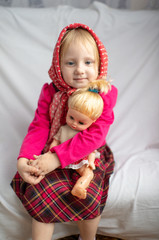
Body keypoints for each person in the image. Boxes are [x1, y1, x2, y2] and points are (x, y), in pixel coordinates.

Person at [11, 23, 118, 240]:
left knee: (90, 193)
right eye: (71, 62)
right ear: (58, 65)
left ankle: (88, 238)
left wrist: (56, 159)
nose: (80, 69)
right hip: (52, 146)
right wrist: (24, 159)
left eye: (88, 62)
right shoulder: (52, 92)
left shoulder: (103, 93)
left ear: (99, 64)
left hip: (88, 153)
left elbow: (95, 136)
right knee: (40, 191)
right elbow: (40, 126)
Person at [44, 79, 110, 200]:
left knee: (88, 173)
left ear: (93, 121)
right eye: (71, 117)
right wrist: (50, 152)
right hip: (59, 159)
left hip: (78, 160)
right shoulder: (63, 129)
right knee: (46, 172)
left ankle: (79, 187)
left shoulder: (86, 135)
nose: (74, 124)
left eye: (81, 122)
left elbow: (90, 150)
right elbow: (55, 141)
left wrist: (90, 162)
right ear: (67, 110)